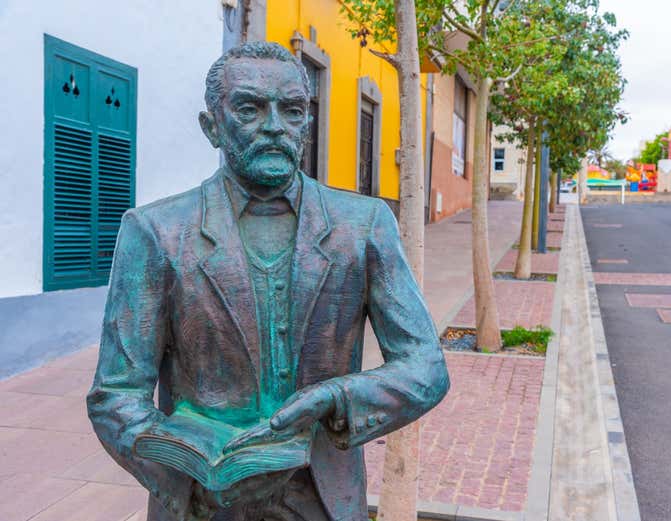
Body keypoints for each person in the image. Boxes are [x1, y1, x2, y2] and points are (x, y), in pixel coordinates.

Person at [87, 41, 449, 521]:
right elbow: (116, 395)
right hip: (205, 504)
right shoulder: (156, 232)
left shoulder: (363, 226)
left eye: (293, 110)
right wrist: (185, 479)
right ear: (212, 127)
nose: (275, 126)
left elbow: (426, 366)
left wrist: (338, 399)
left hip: (325, 497)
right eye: (250, 109)